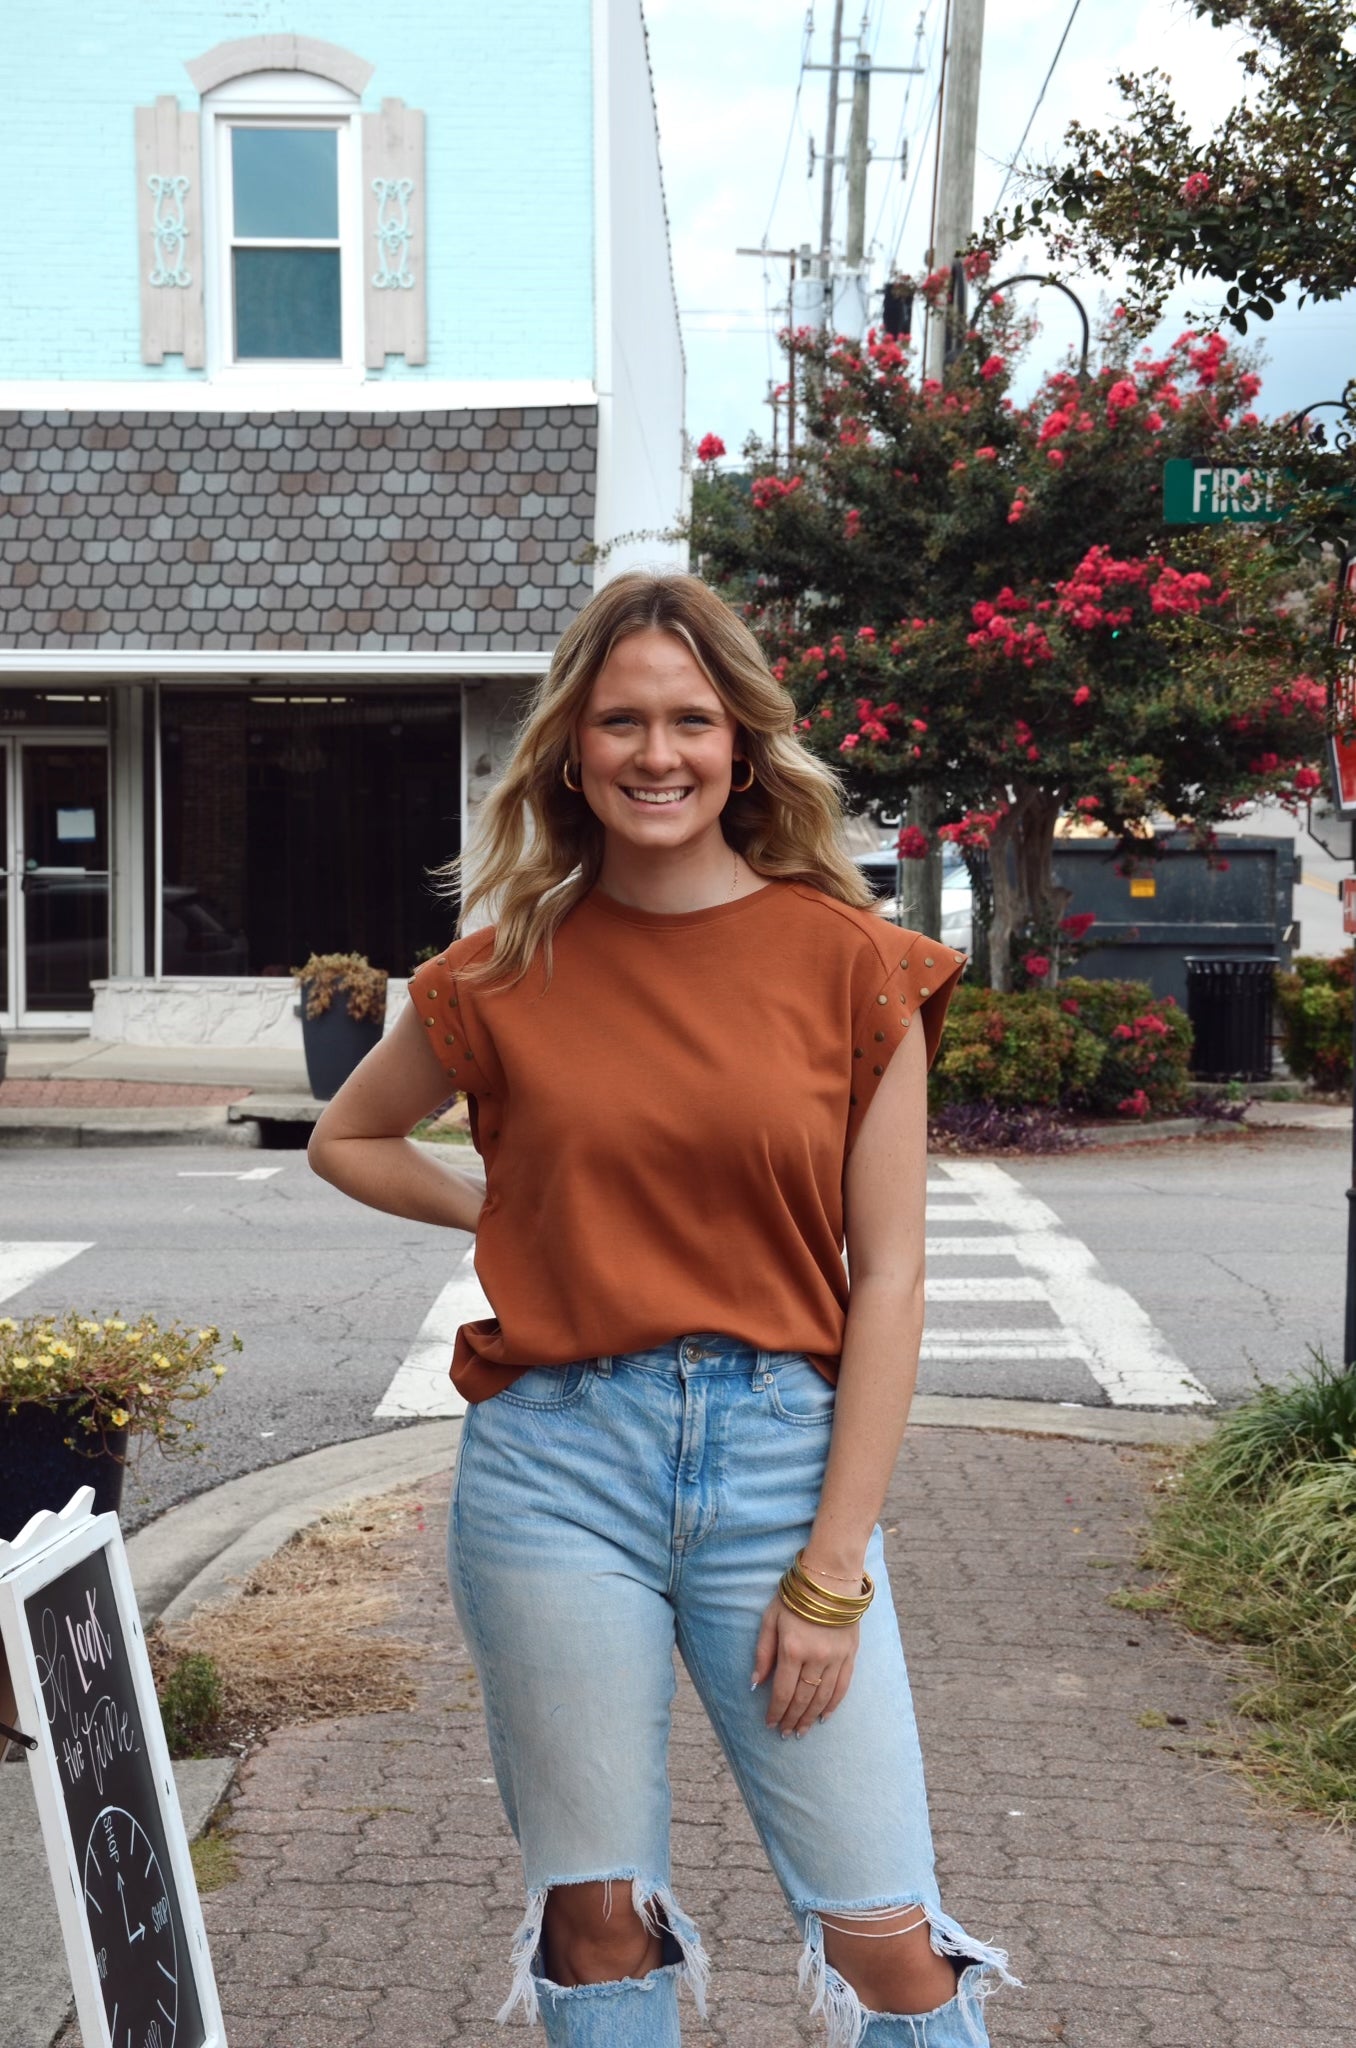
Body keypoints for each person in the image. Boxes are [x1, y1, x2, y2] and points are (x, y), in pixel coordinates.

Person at [308, 572, 1019, 2048]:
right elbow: (350, 1137)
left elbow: (886, 1278)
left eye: (690, 719)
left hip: (779, 1465)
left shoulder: (856, 968)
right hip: (554, 1475)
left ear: (742, 748)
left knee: (884, 1928)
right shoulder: (496, 974)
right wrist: (500, 1213)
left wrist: (832, 1574)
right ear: (570, 751)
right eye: (619, 720)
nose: (656, 752)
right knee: (596, 1908)